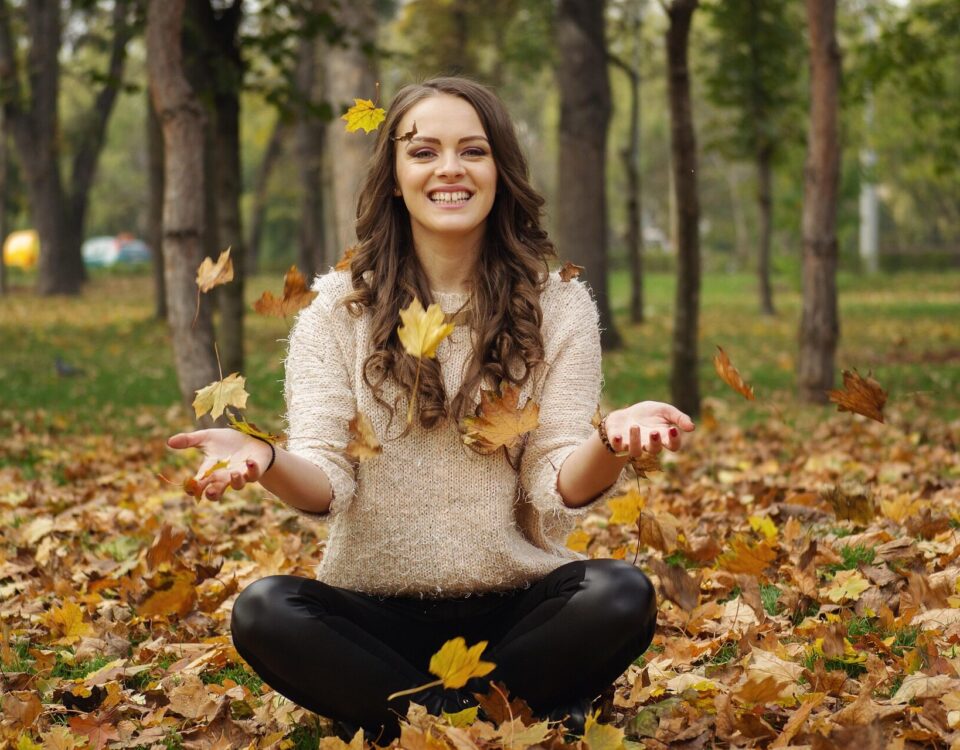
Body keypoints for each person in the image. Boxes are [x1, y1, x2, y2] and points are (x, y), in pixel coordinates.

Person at [167, 76, 694, 744]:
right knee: (266, 610)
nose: (450, 168)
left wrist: (611, 442)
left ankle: (419, 726)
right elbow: (327, 484)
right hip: (374, 621)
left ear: (500, 170)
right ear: (393, 176)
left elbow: (558, 483)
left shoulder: (558, 307)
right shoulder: (335, 311)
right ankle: (494, 721)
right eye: (423, 152)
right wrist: (267, 459)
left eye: (472, 151)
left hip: (517, 614)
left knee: (620, 594)